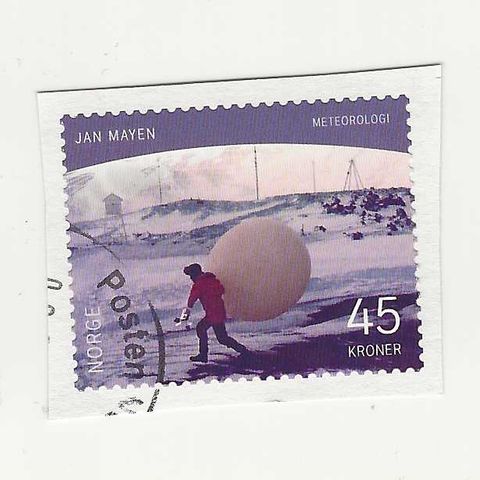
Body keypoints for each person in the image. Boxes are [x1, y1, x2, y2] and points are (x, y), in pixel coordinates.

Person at [183, 263, 248, 363]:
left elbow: (191, 302)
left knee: (202, 329)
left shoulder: (199, 284)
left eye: (191, 275)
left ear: (195, 274)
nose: (191, 278)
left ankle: (203, 355)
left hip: (212, 314)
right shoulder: (212, 279)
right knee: (221, 337)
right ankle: (242, 350)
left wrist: (184, 316)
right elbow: (221, 289)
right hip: (219, 311)